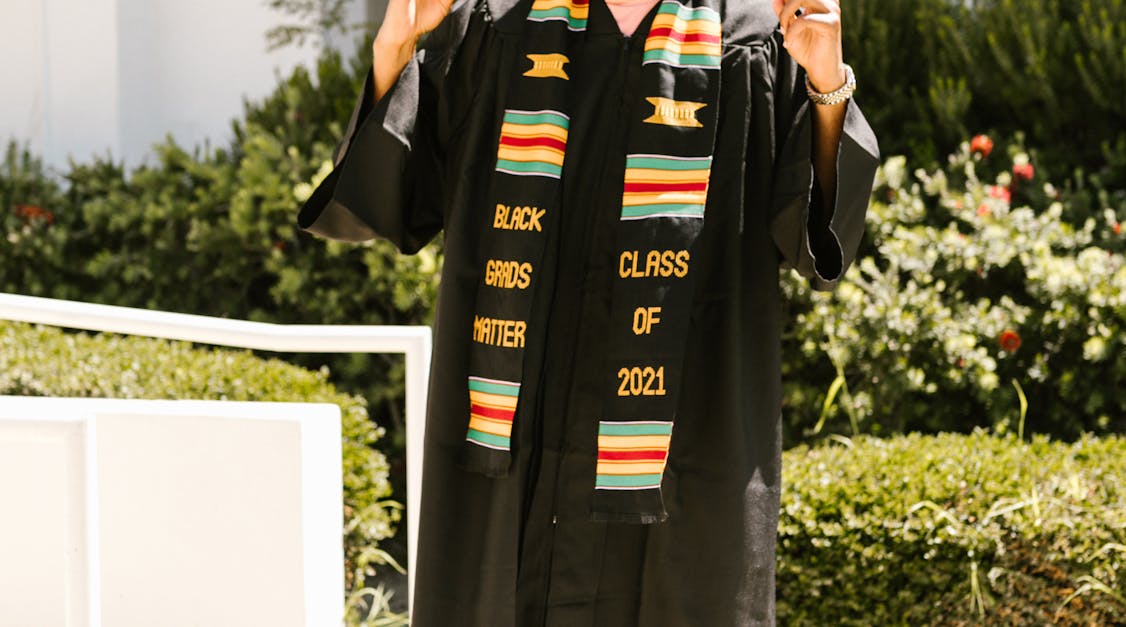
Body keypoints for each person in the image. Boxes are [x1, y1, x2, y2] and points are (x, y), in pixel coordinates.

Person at [297, 0, 878, 622]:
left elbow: (813, 241)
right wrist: (394, 49)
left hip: (679, 471)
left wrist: (826, 84)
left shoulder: (752, 39)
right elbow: (386, 203)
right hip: (514, 472)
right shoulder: (497, 28)